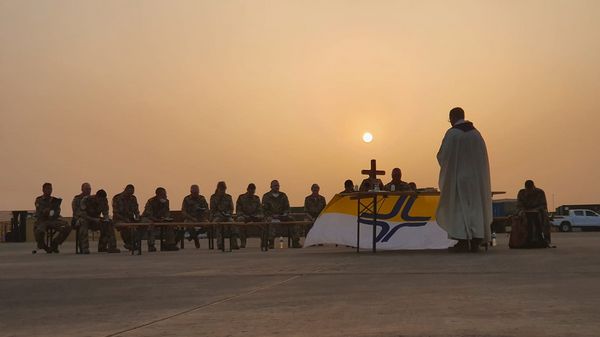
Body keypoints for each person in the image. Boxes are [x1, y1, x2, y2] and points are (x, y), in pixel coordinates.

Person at [436, 107, 492, 253]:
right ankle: (476, 238)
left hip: (458, 178)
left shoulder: (453, 134)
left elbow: (443, 156)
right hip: (476, 180)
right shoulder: (476, 134)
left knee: (459, 209)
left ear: (452, 117)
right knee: (475, 208)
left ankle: (462, 239)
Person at [77, 189, 120, 254]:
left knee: (108, 223)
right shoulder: (86, 200)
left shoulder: (104, 201)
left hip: (96, 221)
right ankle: (84, 248)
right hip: (86, 219)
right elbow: (83, 215)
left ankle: (109, 247)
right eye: (100, 199)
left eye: (103, 200)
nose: (101, 201)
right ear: (96, 197)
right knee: (83, 222)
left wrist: (106, 219)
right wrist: (94, 219)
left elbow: (105, 213)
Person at [33, 183, 71, 253]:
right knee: (38, 231)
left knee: (67, 227)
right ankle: (43, 246)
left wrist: (54, 212)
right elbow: (40, 211)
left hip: (53, 220)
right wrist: (46, 211)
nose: (49, 190)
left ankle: (55, 243)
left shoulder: (54, 200)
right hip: (43, 220)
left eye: (50, 189)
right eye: (47, 189)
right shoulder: (39, 200)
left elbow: (57, 211)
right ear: (43, 190)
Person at [263, 180, 300, 248]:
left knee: (292, 221)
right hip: (271, 216)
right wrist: (271, 215)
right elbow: (264, 209)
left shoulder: (283, 195)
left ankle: (295, 242)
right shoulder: (266, 196)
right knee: (270, 222)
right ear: (271, 187)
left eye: (278, 185)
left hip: (282, 216)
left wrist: (285, 213)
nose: (277, 187)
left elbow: (287, 207)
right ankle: (271, 242)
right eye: (275, 186)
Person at [141, 187, 178, 252]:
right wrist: (157, 220)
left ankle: (170, 244)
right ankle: (151, 245)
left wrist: (166, 218)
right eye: (163, 194)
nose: (165, 196)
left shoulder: (166, 201)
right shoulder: (151, 201)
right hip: (148, 218)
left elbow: (167, 212)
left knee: (170, 224)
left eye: (165, 194)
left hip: (160, 219)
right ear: (158, 195)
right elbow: (148, 214)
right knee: (151, 224)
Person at [516, 180, 551, 245]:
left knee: (544, 215)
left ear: (533, 187)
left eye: (530, 189)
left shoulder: (540, 192)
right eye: (527, 189)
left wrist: (536, 209)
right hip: (525, 211)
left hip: (538, 211)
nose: (529, 191)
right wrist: (523, 211)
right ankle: (524, 238)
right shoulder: (521, 193)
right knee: (520, 215)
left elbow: (543, 205)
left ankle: (545, 238)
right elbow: (519, 205)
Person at [210, 181, 238, 250]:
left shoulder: (228, 197)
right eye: (221, 189)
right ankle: (220, 244)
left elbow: (231, 208)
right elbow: (212, 209)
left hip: (227, 216)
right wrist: (218, 214)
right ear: (218, 189)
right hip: (217, 216)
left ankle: (234, 244)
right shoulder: (213, 197)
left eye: (224, 189)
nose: (223, 191)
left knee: (232, 223)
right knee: (217, 224)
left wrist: (228, 214)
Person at [112, 184, 140, 251]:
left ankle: (134, 243)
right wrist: (125, 219)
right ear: (125, 190)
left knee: (140, 226)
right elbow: (115, 212)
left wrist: (137, 217)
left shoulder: (133, 198)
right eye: (129, 193)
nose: (130, 195)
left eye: (132, 193)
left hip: (130, 219)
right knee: (126, 226)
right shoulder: (117, 198)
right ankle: (128, 243)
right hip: (119, 219)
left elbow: (136, 210)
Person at [235, 183, 263, 248]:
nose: (251, 192)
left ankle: (264, 242)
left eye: (253, 191)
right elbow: (238, 210)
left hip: (254, 217)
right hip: (244, 216)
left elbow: (260, 210)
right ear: (247, 189)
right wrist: (244, 215)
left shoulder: (256, 198)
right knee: (240, 220)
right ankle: (243, 242)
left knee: (263, 222)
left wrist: (256, 216)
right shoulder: (241, 198)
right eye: (250, 191)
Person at [180, 184, 209, 249]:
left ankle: (194, 235)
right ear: (191, 192)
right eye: (194, 192)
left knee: (208, 224)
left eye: (197, 192)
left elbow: (207, 209)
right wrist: (191, 218)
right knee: (189, 225)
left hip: (200, 218)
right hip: (190, 218)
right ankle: (196, 239)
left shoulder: (202, 198)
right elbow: (183, 212)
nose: (196, 194)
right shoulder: (186, 199)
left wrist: (203, 213)